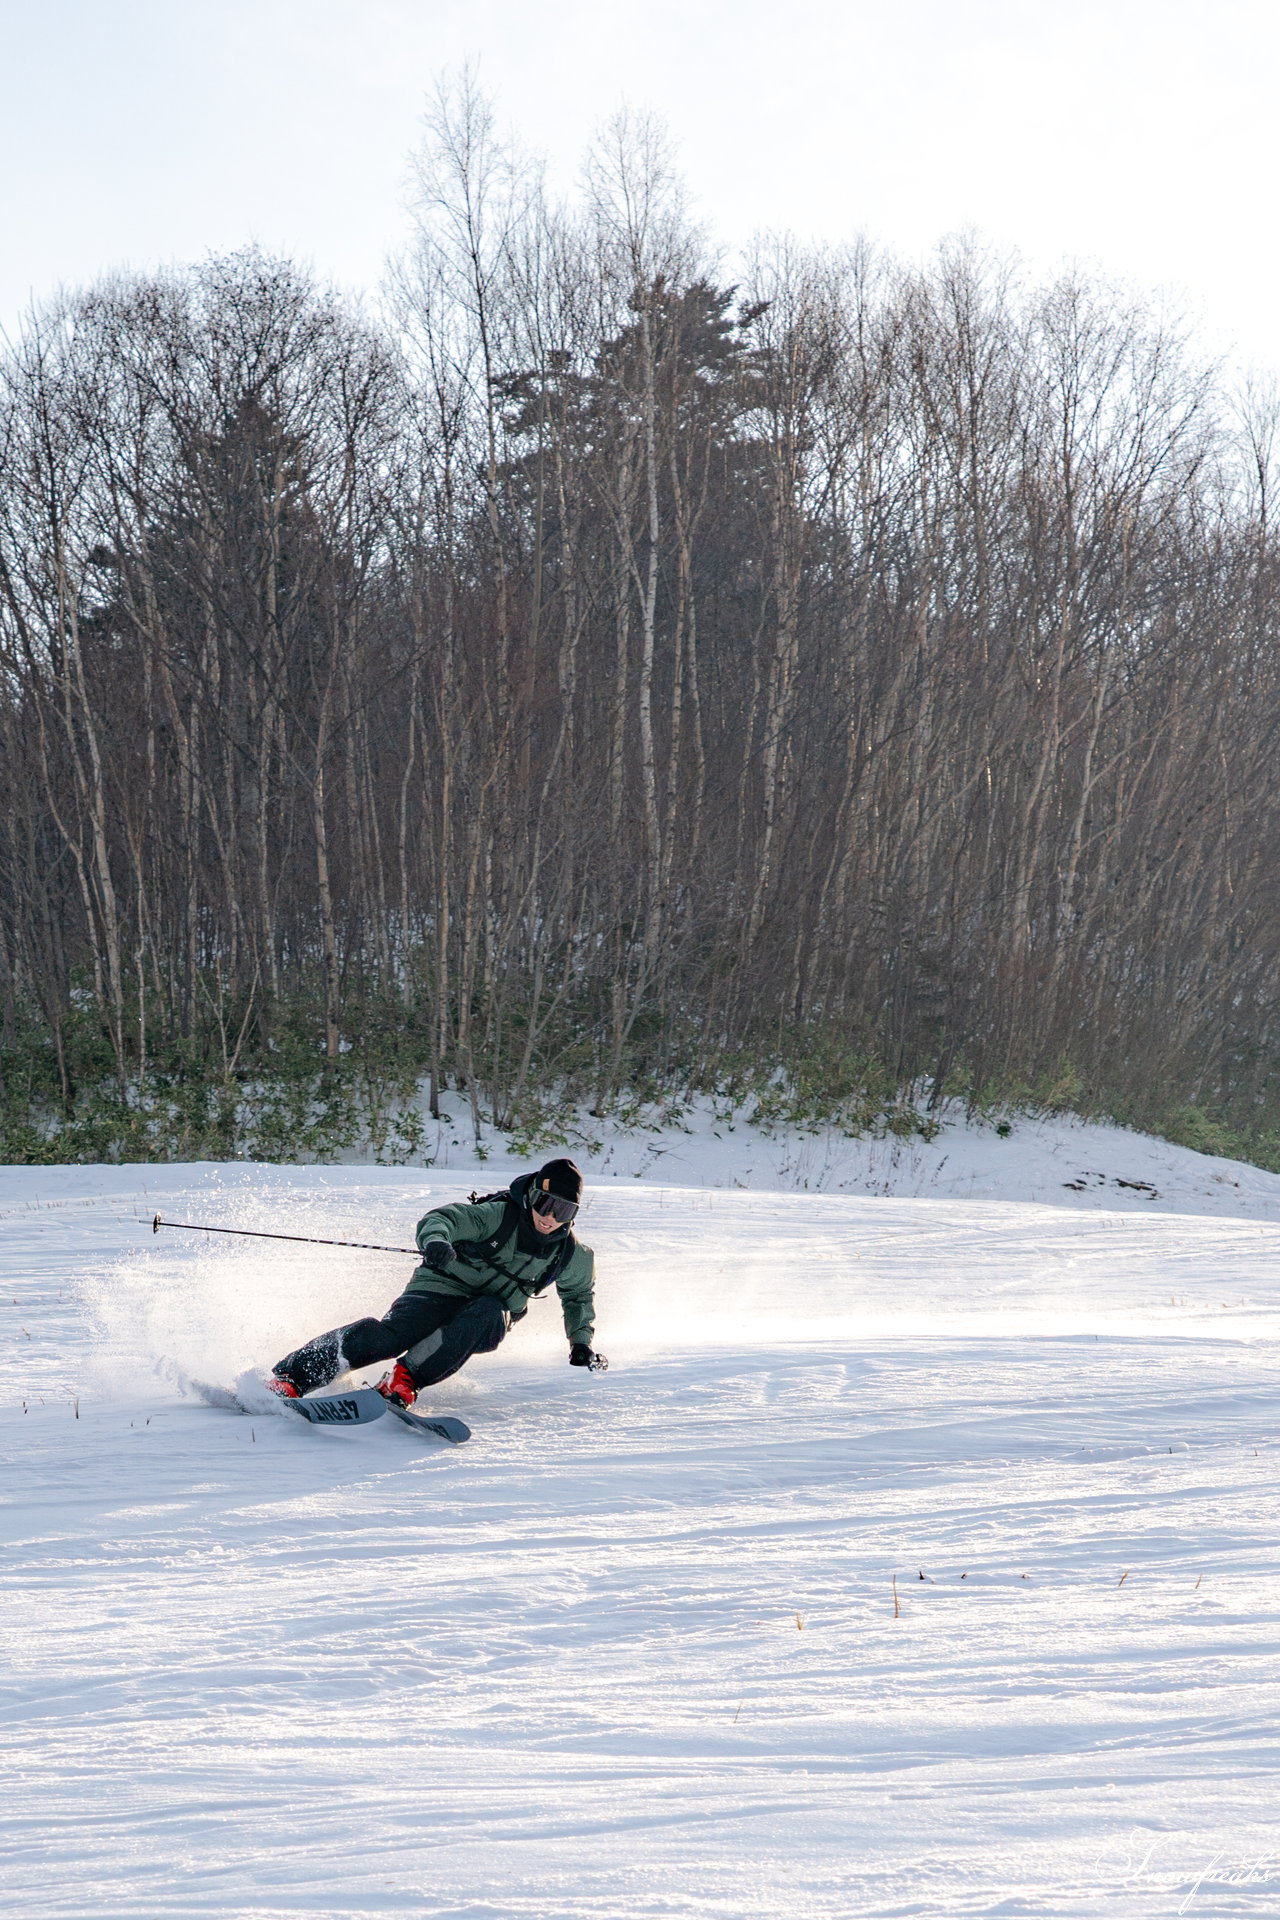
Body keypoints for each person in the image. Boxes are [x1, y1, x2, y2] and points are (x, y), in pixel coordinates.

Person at [266, 1157, 607, 1407]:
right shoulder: (497, 1216)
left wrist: (580, 1343)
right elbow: (444, 1219)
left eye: (562, 1211)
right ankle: (292, 1378)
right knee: (391, 1337)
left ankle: (404, 1381)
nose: (549, 1217)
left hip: (487, 1316)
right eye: (545, 1204)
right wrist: (436, 1242)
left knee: (488, 1310)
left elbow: (578, 1297)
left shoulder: (573, 1255)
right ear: (532, 1195)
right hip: (438, 1289)